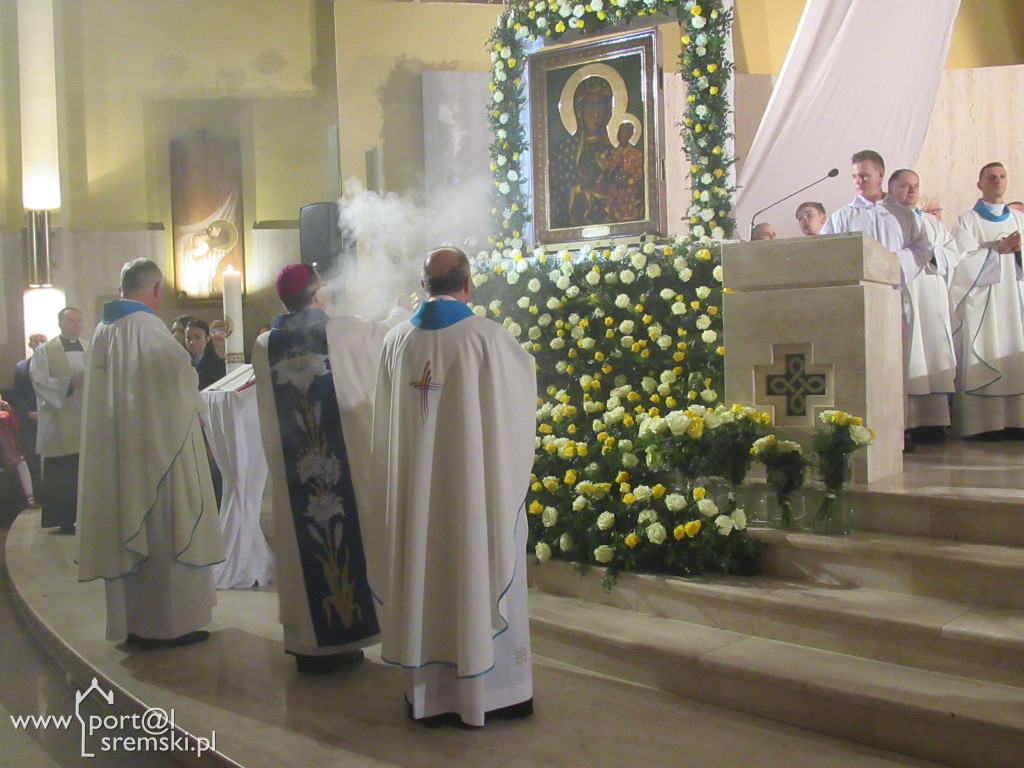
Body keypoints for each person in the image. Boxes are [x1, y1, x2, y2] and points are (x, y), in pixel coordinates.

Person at [369, 246, 537, 728]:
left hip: (416, 500)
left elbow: (384, 430)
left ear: (423, 286)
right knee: (477, 563)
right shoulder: (489, 338)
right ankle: (493, 694)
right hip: (472, 498)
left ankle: (428, 696)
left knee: (423, 572)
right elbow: (518, 402)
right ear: (468, 284)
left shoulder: (396, 341)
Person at [252, 264, 409, 674]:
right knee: (346, 540)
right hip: (340, 471)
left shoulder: (264, 344)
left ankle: (307, 642)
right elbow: (387, 338)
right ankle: (342, 638)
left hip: (295, 474)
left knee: (300, 547)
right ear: (318, 293)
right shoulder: (345, 330)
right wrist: (401, 307)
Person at [77, 258, 224, 648]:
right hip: (156, 459)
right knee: (164, 534)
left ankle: (133, 623)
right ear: (157, 289)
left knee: (127, 526)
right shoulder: (147, 328)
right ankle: (166, 626)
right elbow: (181, 383)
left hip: (120, 458)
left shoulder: (103, 330)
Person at [821, 150, 933, 450]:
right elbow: (826, 252)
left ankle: (895, 433)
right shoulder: (842, 217)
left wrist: (890, 263)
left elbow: (922, 249)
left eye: (864, 175)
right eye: (854, 176)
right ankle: (857, 433)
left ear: (880, 175)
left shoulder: (903, 215)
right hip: (857, 304)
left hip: (894, 298)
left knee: (894, 366)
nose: (858, 181)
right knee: (859, 368)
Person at [948, 162, 1024, 438]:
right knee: (985, 350)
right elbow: (959, 264)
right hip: (983, 304)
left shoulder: (1019, 220)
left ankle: (1017, 422)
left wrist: (1018, 252)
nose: (998, 181)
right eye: (991, 178)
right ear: (979, 185)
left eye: (1002, 177)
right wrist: (995, 251)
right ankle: (983, 425)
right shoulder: (967, 221)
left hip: (1013, 302)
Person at [886, 169, 960, 441]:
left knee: (932, 352)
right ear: (891, 188)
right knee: (911, 354)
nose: (912, 191)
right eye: (905, 186)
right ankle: (909, 424)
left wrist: (931, 253)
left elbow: (952, 253)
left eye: (915, 186)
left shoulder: (931, 222)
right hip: (906, 292)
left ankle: (934, 421)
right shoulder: (888, 219)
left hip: (931, 293)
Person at [31, 308, 88, 532]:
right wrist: (69, 383)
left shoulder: (89, 347)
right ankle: (63, 520)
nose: (76, 324)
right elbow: (39, 381)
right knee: (63, 471)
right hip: (59, 418)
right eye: (71, 320)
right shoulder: (45, 351)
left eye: (79, 320)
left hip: (84, 416)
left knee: (83, 468)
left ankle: (86, 516)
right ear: (60, 323)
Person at [549, 76, 615, 228]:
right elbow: (557, 191)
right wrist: (579, 189)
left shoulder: (614, 151)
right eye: (590, 105)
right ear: (580, 109)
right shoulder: (565, 150)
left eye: (601, 105)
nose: (596, 113)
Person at [11, 332, 47, 491]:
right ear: (30, 344)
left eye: (42, 341)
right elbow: (17, 394)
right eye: (35, 341)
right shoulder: (21, 367)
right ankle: (36, 493)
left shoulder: (53, 365)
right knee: (32, 457)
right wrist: (28, 413)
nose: (38, 344)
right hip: (29, 420)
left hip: (49, 418)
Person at [600, 121, 645, 223]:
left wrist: (629, 181)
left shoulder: (636, 153)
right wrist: (603, 157)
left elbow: (640, 171)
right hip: (617, 183)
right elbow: (611, 166)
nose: (620, 135)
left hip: (629, 185)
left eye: (623, 133)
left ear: (629, 135)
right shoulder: (618, 151)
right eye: (619, 132)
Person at [0, 399, 36, 508]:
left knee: (22, 465)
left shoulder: (5, 412)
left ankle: (30, 497)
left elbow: (15, 426)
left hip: (7, 448)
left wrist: (10, 411)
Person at [185, 318, 227, 389]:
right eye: (188, 337)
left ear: (207, 339)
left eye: (197, 337)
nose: (192, 342)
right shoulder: (181, 361)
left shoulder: (216, 365)